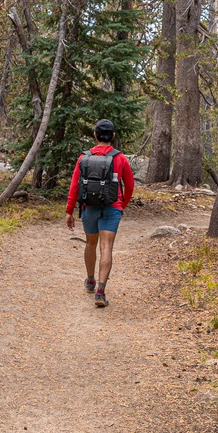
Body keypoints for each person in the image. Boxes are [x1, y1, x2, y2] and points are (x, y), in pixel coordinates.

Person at [65, 119, 135, 307]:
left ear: (95, 135)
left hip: (89, 207)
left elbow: (74, 186)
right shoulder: (120, 159)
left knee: (90, 243)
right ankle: (101, 292)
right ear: (112, 136)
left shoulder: (84, 158)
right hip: (112, 208)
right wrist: (121, 205)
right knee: (106, 247)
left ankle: (90, 281)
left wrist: (69, 210)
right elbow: (130, 186)